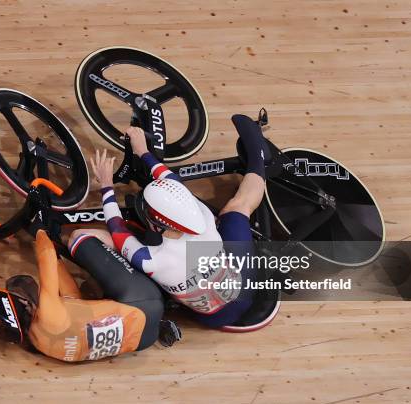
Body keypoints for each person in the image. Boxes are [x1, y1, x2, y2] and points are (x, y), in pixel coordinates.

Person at [68, 115, 270, 329]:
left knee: (104, 239)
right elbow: (173, 182)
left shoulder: (152, 259)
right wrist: (143, 151)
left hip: (215, 313)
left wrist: (107, 185)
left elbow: (116, 228)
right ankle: (258, 159)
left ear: (157, 224)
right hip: (240, 289)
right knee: (239, 207)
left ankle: (260, 156)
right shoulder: (203, 218)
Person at [0, 230, 180, 362]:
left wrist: (58, 260)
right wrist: (40, 230)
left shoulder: (40, 343)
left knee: (88, 287)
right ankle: (162, 257)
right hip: (143, 301)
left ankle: (163, 314)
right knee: (79, 240)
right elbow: (45, 255)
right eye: (16, 293)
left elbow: (74, 299)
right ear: (21, 303)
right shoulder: (48, 315)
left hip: (143, 340)